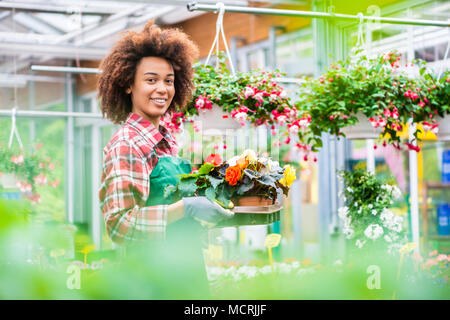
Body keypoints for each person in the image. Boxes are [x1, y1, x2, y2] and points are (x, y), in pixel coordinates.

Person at [97, 21, 234, 297]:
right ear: (127, 85)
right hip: (151, 281)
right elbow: (120, 225)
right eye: (151, 80)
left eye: (168, 81)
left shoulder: (166, 140)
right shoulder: (128, 144)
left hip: (187, 273)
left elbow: (168, 204)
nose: (162, 89)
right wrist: (187, 208)